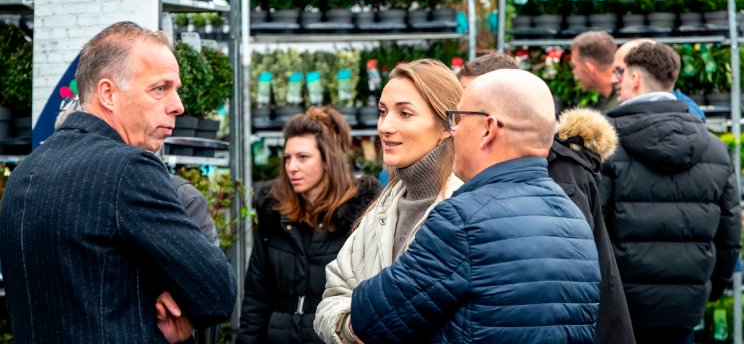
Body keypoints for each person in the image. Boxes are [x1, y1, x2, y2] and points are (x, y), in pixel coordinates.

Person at [0, 21, 236, 344]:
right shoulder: (130, 169)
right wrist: (175, 303)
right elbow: (219, 291)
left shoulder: (24, 174)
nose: (178, 105)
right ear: (108, 93)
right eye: (160, 88)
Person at [350, 69, 601, 343]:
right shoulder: (574, 220)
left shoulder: (463, 220)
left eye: (458, 119)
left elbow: (372, 318)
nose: (453, 131)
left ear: (488, 129)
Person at [457, 51, 635, 344]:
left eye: (471, 102)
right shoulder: (495, 166)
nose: (459, 115)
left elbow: (559, 278)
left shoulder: (561, 171)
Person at [314, 59, 463, 344]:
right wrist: (351, 327)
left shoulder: (465, 207)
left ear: (448, 126)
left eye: (405, 113)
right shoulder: (381, 209)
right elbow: (334, 294)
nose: (385, 126)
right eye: (382, 112)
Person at [601, 43, 741, 344]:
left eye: (621, 75)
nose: (618, 83)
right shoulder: (715, 148)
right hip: (685, 308)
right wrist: (708, 289)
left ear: (635, 79)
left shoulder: (606, 144)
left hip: (619, 309)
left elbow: (591, 225)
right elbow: (730, 235)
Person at [236, 106, 381, 344]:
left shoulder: (358, 218)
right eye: (287, 158)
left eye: (303, 157)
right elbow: (256, 297)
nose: (291, 167)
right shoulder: (275, 215)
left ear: (328, 160)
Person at [611, 38, 706, 121]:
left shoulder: (688, 115)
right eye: (613, 71)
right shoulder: (686, 114)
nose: (613, 79)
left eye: (621, 71)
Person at [570, 31, 619, 111]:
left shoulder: (623, 103)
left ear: (589, 68)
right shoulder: (610, 98)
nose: (573, 72)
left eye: (574, 66)